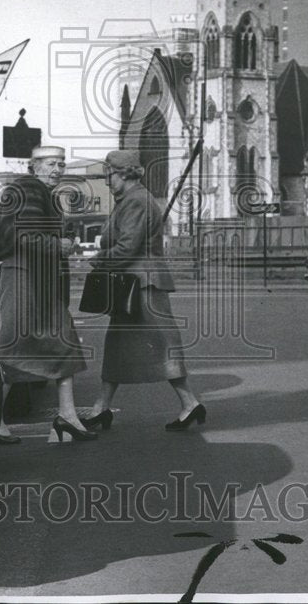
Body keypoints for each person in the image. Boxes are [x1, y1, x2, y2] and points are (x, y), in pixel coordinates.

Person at [83, 150, 205, 432]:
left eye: (109, 175)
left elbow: (128, 247)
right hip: (135, 283)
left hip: (143, 284)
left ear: (124, 173)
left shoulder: (136, 200)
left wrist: (99, 258)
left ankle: (189, 403)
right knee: (120, 345)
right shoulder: (130, 199)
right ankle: (102, 406)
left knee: (160, 346)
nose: (107, 181)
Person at [0, 145, 96, 443]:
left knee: (64, 343)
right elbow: (24, 236)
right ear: (33, 166)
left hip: (39, 281)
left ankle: (67, 417)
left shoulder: (40, 193)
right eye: (50, 164)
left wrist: (65, 238)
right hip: (22, 278)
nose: (57, 170)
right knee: (16, 349)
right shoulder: (28, 189)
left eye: (61, 164)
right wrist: (58, 245)